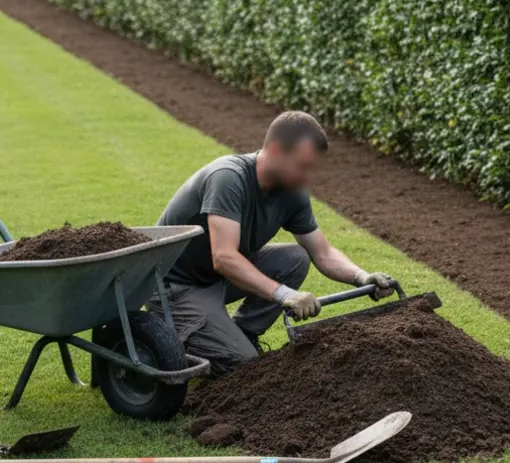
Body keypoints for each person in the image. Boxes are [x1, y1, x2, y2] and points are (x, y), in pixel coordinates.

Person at [151, 111, 394, 372]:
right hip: (175, 287)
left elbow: (321, 252)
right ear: (276, 151)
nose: (308, 178)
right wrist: (285, 295)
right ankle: (189, 337)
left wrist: (361, 277)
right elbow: (223, 257)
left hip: (215, 277)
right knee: (246, 366)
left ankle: (243, 332)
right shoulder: (228, 178)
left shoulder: (292, 193)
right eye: (303, 167)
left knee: (295, 259)